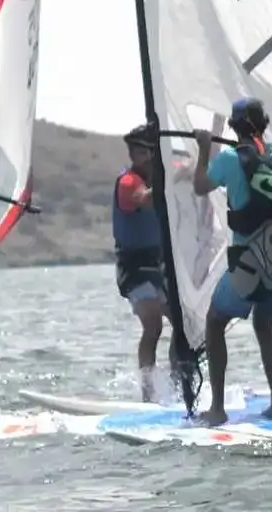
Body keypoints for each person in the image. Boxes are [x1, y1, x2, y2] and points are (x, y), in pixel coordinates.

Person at [188, 97, 272, 426]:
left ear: (233, 127)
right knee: (264, 325)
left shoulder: (228, 159)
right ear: (263, 124)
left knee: (214, 322)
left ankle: (218, 409)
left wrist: (204, 149)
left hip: (249, 263)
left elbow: (200, 186)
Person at [114, 124, 167, 401]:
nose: (143, 158)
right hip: (133, 267)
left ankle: (183, 383)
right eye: (138, 153)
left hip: (158, 264)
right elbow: (146, 200)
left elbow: (188, 171)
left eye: (147, 152)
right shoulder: (128, 182)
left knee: (185, 326)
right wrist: (167, 177)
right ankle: (148, 393)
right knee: (153, 324)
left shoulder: (160, 172)